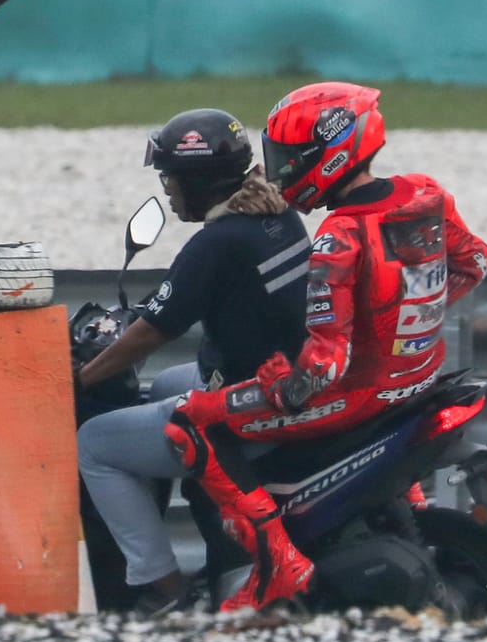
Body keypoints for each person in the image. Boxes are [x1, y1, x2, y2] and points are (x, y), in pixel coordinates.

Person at [171, 81, 487, 614]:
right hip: (418, 379)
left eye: (290, 157)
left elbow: (324, 367)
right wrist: (401, 317)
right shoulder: (423, 194)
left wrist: (276, 386)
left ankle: (278, 567)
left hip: (356, 396)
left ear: (329, 152)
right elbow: (475, 262)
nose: (280, 171)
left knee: (189, 419)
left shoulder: (337, 238)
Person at [74, 108, 310, 614]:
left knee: (93, 443)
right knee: (163, 388)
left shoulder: (218, 243)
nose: (166, 188)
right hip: (282, 378)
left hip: (249, 406)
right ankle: (214, 540)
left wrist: (81, 377)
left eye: (171, 177)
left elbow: (154, 330)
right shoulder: (277, 215)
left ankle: (162, 590)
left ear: (200, 182)